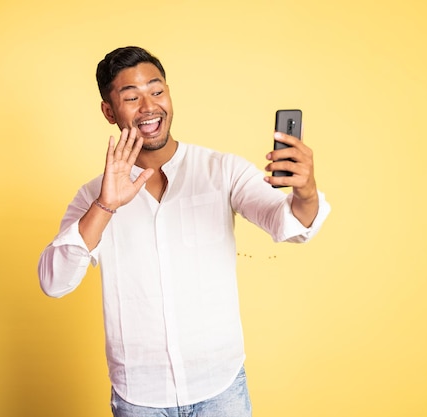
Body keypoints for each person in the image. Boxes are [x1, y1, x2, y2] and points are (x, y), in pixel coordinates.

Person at [38, 46, 331, 417]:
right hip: (140, 397)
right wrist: (105, 206)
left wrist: (305, 191)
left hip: (221, 387)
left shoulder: (222, 171)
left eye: (156, 91)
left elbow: (290, 224)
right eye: (131, 97)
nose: (148, 106)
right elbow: (54, 281)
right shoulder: (93, 196)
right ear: (109, 112)